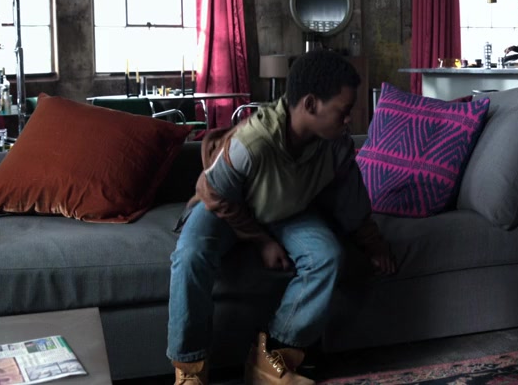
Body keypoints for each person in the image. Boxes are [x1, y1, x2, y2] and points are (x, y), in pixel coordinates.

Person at [168, 50, 396, 385]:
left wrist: (374, 246)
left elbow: (351, 203)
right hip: (228, 206)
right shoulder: (252, 142)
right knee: (190, 256)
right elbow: (213, 192)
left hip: (286, 209)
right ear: (310, 104)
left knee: (326, 256)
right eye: (343, 111)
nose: (349, 119)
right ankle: (190, 370)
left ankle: (271, 358)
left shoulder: (336, 145)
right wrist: (261, 241)